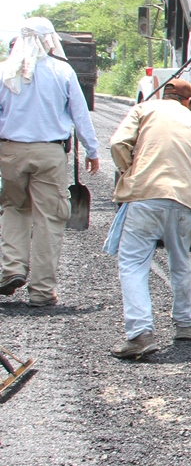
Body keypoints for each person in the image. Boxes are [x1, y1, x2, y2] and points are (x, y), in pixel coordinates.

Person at [106, 78, 191, 360]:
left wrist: (128, 171)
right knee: (180, 260)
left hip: (146, 196)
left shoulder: (144, 109)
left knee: (133, 263)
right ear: (189, 101)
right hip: (183, 200)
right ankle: (185, 324)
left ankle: (141, 333)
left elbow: (118, 142)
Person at [0, 17, 100, 307]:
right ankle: (42, 291)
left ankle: (12, 269)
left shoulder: (5, 71)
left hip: (10, 152)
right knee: (49, 217)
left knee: (14, 207)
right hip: (49, 153)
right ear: (49, 40)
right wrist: (92, 151)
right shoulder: (62, 70)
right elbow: (80, 115)